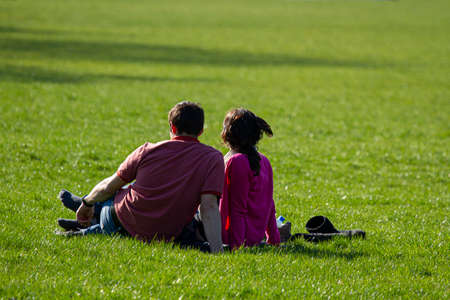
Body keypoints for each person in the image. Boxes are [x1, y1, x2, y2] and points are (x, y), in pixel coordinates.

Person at [57, 101, 225, 253]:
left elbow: (109, 186)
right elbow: (209, 206)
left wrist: (88, 202)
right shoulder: (213, 158)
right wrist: (217, 250)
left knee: (116, 195)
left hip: (121, 221)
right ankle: (91, 217)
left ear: (172, 128)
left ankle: (89, 211)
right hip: (167, 232)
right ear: (201, 131)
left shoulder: (147, 151)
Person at [219, 108, 281, 249]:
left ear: (227, 134)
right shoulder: (264, 160)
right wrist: (274, 239)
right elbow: (269, 205)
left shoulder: (237, 161)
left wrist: (237, 246)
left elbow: (237, 209)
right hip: (252, 236)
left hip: (233, 236)